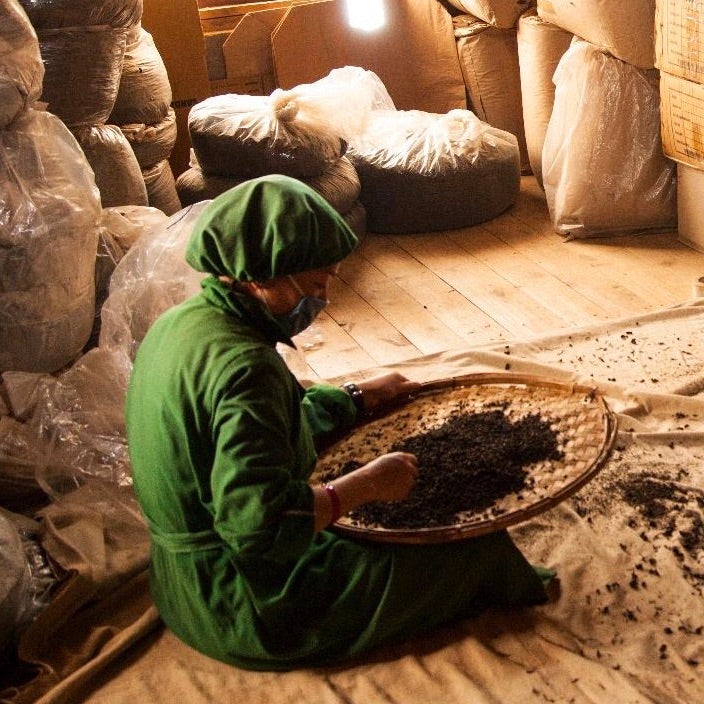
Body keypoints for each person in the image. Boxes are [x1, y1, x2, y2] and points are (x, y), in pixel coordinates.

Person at [125, 175, 552, 672]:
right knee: (472, 554)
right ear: (263, 278)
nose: (323, 297)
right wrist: (364, 485)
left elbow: (269, 430)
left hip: (177, 579)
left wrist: (356, 397)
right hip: (240, 599)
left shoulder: (179, 325)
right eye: (313, 284)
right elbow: (258, 527)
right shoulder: (246, 369)